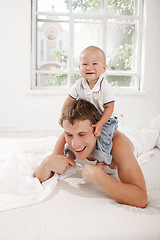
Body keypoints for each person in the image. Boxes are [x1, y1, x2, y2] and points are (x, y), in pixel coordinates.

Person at [35, 99, 148, 208]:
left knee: (153, 131)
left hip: (137, 138)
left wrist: (100, 178)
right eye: (69, 135)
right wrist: (46, 162)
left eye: (82, 134)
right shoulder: (67, 136)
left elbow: (141, 199)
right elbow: (42, 176)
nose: (75, 144)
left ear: (96, 130)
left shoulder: (118, 144)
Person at [59, 46, 118, 165]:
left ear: (104, 68)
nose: (89, 67)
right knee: (72, 132)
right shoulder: (79, 84)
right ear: (79, 67)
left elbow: (109, 108)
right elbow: (68, 101)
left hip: (105, 119)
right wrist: (62, 116)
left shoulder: (104, 87)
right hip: (87, 118)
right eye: (85, 64)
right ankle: (69, 155)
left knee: (104, 138)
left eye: (94, 64)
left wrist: (100, 124)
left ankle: (102, 162)